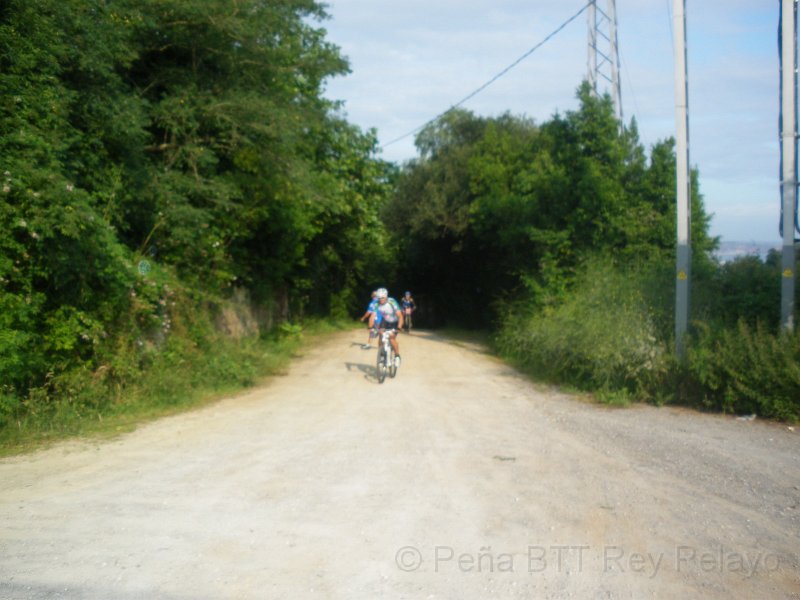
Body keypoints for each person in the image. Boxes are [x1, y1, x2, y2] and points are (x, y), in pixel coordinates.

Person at [368, 288, 403, 366]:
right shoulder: (376, 304)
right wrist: (370, 328)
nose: (381, 300)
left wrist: (399, 327)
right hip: (385, 321)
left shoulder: (392, 302)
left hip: (395, 322)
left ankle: (397, 356)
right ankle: (381, 354)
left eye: (382, 298)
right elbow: (372, 317)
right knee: (381, 335)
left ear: (386, 296)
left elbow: (400, 316)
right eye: (379, 298)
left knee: (391, 337)